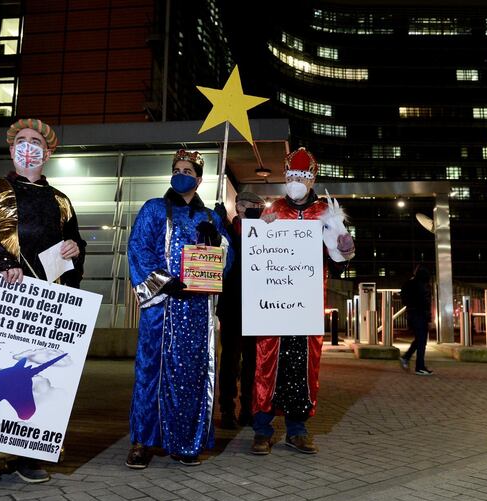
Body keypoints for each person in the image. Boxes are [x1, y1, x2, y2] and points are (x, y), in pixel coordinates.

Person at [0, 118, 86, 494]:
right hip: (0, 301)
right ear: (12, 151)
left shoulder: (60, 200)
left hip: (43, 307)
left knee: (34, 384)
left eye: (36, 141)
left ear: (48, 152)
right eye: (22, 141)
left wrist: (76, 249)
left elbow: (73, 243)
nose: (29, 146)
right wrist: (1, 263)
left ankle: (27, 454)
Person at [126, 149, 233, 469]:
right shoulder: (153, 209)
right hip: (163, 307)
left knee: (192, 376)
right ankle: (143, 442)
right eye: (176, 168)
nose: (181, 172)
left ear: (199, 179)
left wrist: (219, 241)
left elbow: (226, 265)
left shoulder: (211, 217)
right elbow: (138, 248)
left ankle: (187, 442)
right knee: (151, 373)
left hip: (197, 311)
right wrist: (163, 281)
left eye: (187, 169)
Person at [250, 147, 355, 456]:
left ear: (312, 180)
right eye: (292, 176)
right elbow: (258, 251)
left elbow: (338, 258)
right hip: (272, 306)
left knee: (303, 367)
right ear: (286, 178)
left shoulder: (325, 212)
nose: (296, 182)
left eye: (302, 177)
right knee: (267, 363)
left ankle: (297, 430)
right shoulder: (274, 210)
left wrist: (345, 249)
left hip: (307, 305)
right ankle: (262, 429)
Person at [214, 191, 265, 429]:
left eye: (252, 205)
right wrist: (218, 223)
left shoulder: (265, 231)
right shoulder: (227, 230)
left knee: (252, 362)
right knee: (231, 360)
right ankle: (226, 408)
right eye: (242, 204)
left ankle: (248, 408)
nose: (245, 209)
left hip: (257, 305)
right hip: (232, 305)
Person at [399, 266, 433, 376]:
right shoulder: (424, 286)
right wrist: (429, 320)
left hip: (411, 314)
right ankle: (419, 367)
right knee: (422, 341)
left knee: (419, 339)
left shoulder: (408, 284)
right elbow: (426, 304)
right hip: (421, 315)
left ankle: (406, 357)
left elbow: (403, 299)